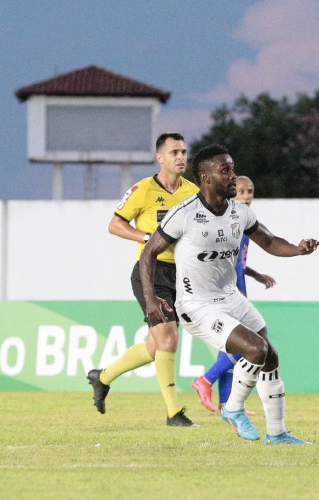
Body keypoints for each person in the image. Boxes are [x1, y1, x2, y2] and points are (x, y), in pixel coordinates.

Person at [139, 144, 319, 445]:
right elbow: (149, 253)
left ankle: (277, 433)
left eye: (233, 168)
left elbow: (270, 241)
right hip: (196, 305)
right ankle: (233, 408)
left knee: (270, 357)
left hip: (230, 297)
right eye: (226, 171)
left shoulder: (240, 212)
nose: (234, 176)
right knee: (256, 350)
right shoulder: (184, 214)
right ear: (206, 178)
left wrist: (298, 250)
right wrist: (150, 298)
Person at [87, 132, 200, 427]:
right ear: (159, 157)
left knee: (155, 347)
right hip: (151, 271)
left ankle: (103, 377)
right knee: (168, 338)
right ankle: (174, 413)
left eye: (184, 152)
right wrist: (147, 236)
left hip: (181, 274)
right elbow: (115, 224)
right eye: (174, 152)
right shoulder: (143, 189)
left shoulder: (192, 192)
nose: (181, 157)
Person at [191, 175, 276, 415]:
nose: (246, 196)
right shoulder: (226, 222)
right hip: (230, 293)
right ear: (231, 193)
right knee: (243, 348)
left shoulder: (243, 224)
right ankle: (205, 380)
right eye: (241, 191)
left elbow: (237, 262)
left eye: (250, 191)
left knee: (230, 350)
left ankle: (226, 404)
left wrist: (256, 274)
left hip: (239, 290)